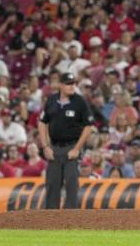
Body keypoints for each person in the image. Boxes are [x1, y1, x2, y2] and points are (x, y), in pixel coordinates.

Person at [38, 71, 95, 209]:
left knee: (71, 182)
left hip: (72, 146)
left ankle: (70, 217)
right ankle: (51, 218)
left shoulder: (80, 101)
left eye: (73, 83)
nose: (71, 86)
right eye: (68, 84)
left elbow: (88, 126)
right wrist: (45, 146)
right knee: (52, 182)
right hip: (54, 147)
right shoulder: (51, 100)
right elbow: (42, 122)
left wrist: (77, 149)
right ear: (60, 85)